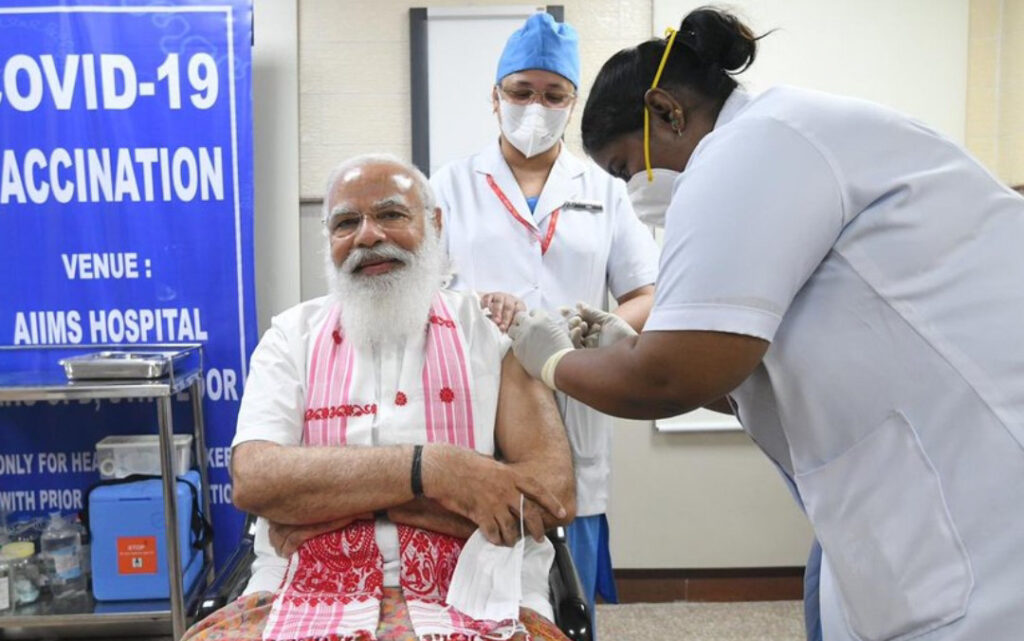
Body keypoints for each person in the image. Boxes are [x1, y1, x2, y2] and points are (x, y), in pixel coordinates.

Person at [508, 7, 1024, 641]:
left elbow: (667, 380)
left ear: (666, 111)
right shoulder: (783, 138)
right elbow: (746, 371)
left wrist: (554, 360)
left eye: (624, 167)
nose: (634, 190)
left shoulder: (753, 146)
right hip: (892, 479)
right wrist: (628, 347)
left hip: (977, 491)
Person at [183, 154, 576, 641]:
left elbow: (551, 496)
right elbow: (255, 480)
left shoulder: (495, 333)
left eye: (391, 214)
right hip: (301, 588)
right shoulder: (290, 337)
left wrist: (336, 503)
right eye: (347, 222)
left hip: (477, 588)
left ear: (434, 224)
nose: (368, 236)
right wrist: (436, 471)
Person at [430, 12, 659, 613]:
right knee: (476, 579)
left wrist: (597, 333)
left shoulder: (607, 189)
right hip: (475, 398)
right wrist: (472, 309)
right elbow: (420, 295)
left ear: (572, 102)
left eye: (553, 95)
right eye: (521, 91)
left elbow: (646, 292)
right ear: (495, 95)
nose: (536, 106)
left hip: (575, 394)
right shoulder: (449, 187)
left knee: (566, 584)